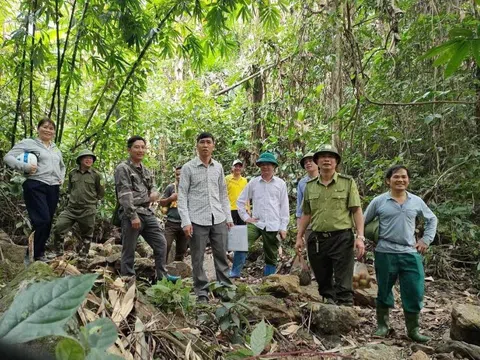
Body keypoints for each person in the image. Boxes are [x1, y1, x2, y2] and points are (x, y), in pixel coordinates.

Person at [364, 165, 437, 343]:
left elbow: (432, 219)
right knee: (384, 288)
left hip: (410, 252)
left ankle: (413, 330)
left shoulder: (416, 201)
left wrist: (425, 240)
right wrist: (369, 235)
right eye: (396, 177)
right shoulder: (379, 201)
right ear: (388, 180)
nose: (401, 180)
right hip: (385, 252)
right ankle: (383, 326)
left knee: (414, 289)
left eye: (404, 177)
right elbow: (363, 220)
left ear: (408, 180)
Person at [295, 144, 365, 306]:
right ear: (317, 161)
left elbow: (356, 210)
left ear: (336, 162)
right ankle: (329, 302)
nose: (327, 159)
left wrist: (360, 236)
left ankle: (346, 307)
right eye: (323, 156)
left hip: (342, 237)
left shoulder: (347, 183)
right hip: (318, 239)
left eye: (331, 156)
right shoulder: (310, 186)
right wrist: (299, 237)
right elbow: (306, 213)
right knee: (322, 277)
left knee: (343, 277)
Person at [177, 132, 233, 303]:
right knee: (197, 257)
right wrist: (185, 221)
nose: (205, 145)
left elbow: (223, 194)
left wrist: (228, 217)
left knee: (221, 255)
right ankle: (201, 291)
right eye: (202, 142)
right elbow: (182, 195)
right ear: (197, 145)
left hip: (218, 217)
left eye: (209, 142)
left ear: (213, 146)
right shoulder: (188, 168)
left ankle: (225, 288)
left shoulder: (218, 167)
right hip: (197, 219)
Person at [114, 136, 179, 282]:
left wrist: (154, 194)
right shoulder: (122, 168)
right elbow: (125, 194)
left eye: (143, 147)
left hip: (147, 213)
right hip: (132, 213)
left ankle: (162, 276)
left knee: (161, 243)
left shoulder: (146, 170)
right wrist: (132, 215)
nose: (140, 150)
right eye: (137, 147)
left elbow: (153, 188)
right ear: (129, 149)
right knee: (129, 248)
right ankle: (128, 278)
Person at [4, 118, 65, 261]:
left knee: (48, 221)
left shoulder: (55, 148)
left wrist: (60, 177)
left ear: (54, 132)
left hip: (53, 187)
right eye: (45, 127)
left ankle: (38, 253)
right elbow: (8, 157)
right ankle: (32, 255)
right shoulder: (29, 143)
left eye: (51, 128)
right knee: (42, 220)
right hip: (35, 184)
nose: (48, 130)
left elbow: (62, 166)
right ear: (38, 129)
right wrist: (24, 167)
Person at [230, 152, 289, 278]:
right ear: (259, 166)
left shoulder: (280, 184)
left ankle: (269, 279)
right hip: (256, 222)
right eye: (263, 165)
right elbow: (240, 201)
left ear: (274, 167)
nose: (265, 167)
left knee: (271, 253)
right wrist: (246, 217)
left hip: (273, 223)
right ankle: (234, 273)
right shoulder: (254, 183)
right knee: (242, 242)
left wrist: (283, 227)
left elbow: (284, 207)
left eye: (268, 165)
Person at [52, 149, 104, 257]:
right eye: (86, 158)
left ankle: (83, 256)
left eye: (91, 158)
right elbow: (70, 189)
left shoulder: (96, 175)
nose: (89, 160)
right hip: (71, 208)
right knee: (58, 227)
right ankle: (58, 253)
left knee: (87, 235)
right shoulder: (72, 173)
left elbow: (101, 193)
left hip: (88, 209)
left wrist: (91, 202)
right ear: (80, 160)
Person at [159, 166, 188, 262]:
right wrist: (170, 198)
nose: (179, 177)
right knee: (165, 245)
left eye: (181, 174)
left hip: (184, 223)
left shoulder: (190, 187)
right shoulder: (170, 187)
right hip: (171, 223)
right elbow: (161, 202)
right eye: (177, 174)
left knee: (182, 250)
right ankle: (161, 270)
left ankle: (178, 271)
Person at [296, 151, 319, 242]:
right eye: (305, 162)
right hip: (308, 223)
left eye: (311, 161)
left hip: (323, 222)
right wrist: (299, 227)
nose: (308, 163)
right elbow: (299, 206)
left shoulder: (325, 179)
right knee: (311, 249)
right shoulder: (302, 183)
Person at [225, 159, 249, 225]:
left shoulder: (244, 180)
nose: (237, 168)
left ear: (242, 168)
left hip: (242, 209)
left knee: (241, 230)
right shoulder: (227, 179)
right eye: (236, 166)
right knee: (231, 231)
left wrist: (248, 209)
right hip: (230, 209)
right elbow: (223, 194)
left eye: (239, 166)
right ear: (232, 168)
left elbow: (246, 195)